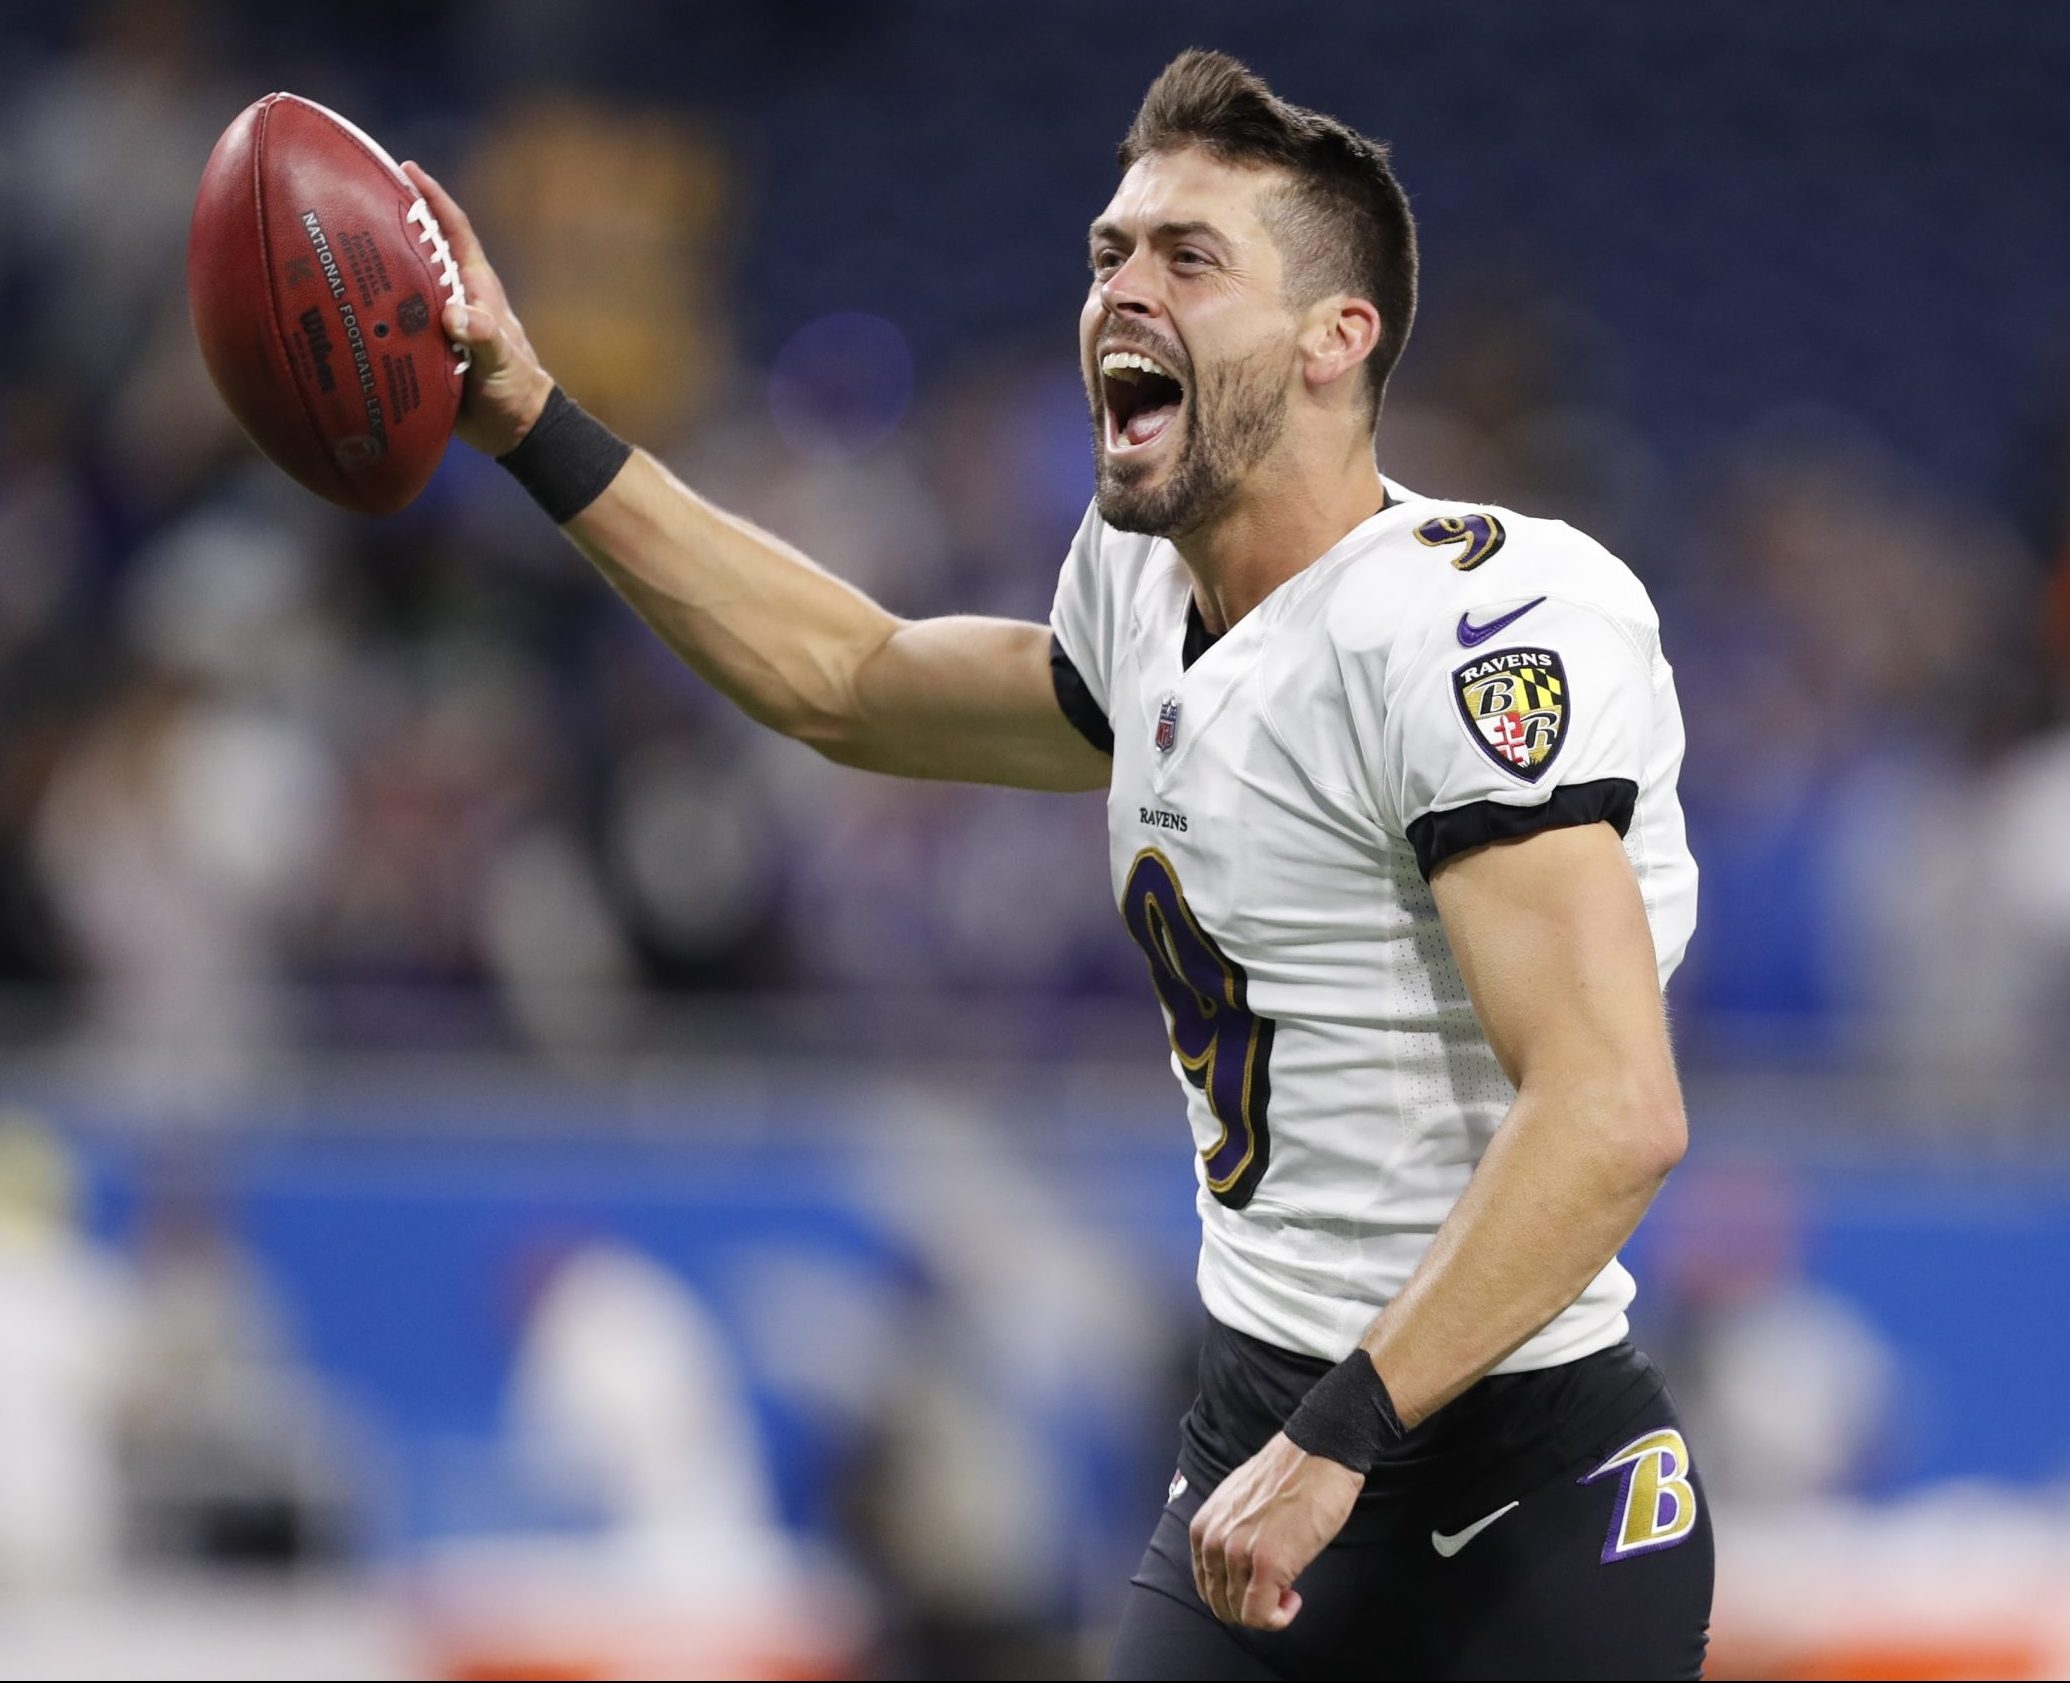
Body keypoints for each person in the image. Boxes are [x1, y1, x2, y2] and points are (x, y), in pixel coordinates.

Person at [407, 47, 1709, 1682]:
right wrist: (531, 421)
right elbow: (849, 681)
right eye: (1107, 253)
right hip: (1257, 1426)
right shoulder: (1150, 590)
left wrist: (1337, 1440)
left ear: (1334, 339)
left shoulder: (1467, 626)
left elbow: (1610, 1110)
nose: (1120, 291)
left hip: (1498, 1482)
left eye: (1187, 258)